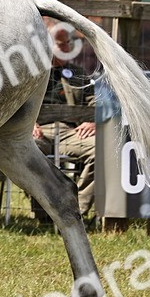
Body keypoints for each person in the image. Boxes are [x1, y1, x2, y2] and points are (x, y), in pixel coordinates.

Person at [32, 26, 97, 219]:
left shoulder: (77, 73)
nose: (67, 48)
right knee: (29, 153)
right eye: (62, 44)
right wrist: (28, 125)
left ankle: (75, 213)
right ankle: (44, 213)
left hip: (72, 132)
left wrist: (93, 121)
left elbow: (96, 102)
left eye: (69, 43)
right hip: (37, 132)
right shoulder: (32, 72)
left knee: (100, 151)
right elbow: (16, 104)